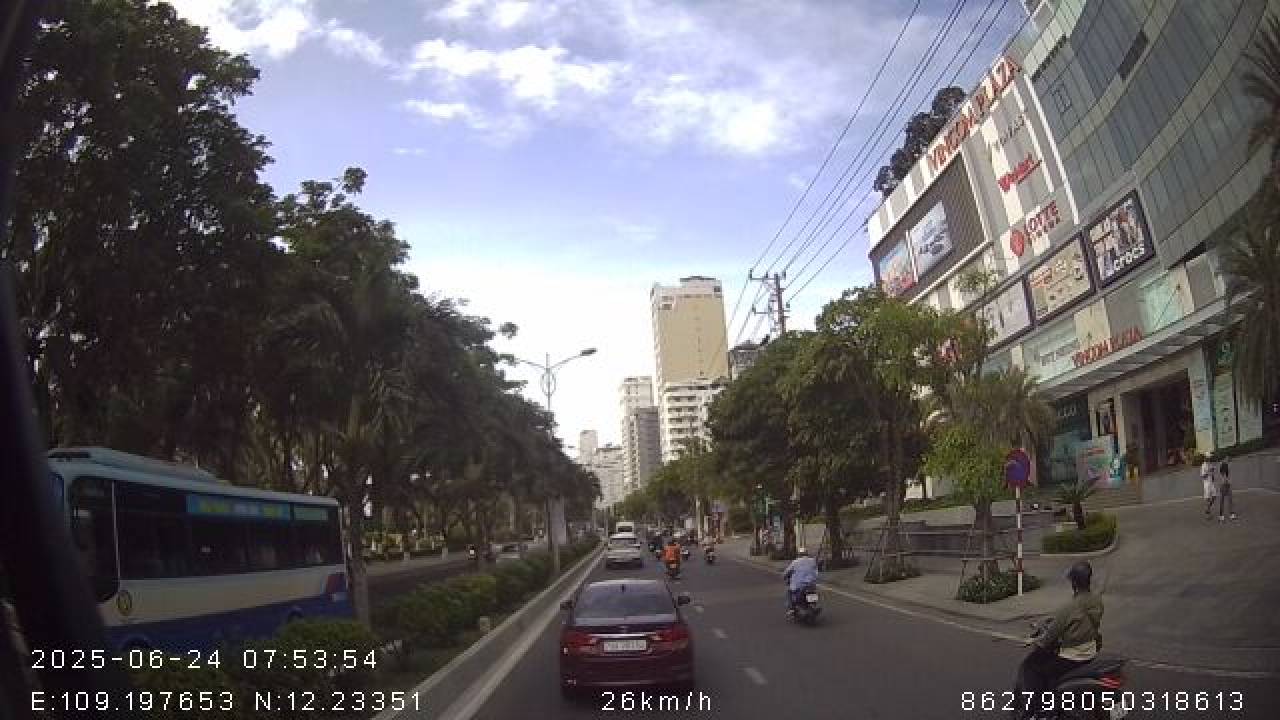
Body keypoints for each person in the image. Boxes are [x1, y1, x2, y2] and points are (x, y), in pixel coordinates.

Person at [1014, 561, 1104, 719]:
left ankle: (1034, 712)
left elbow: (1049, 637)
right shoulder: (1097, 601)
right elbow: (1079, 623)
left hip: (1073, 657)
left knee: (1032, 666)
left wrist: (1035, 641)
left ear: (1073, 583)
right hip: (1091, 650)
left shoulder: (1070, 608)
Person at [782, 547, 819, 613]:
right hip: (811, 584)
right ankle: (812, 606)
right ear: (807, 553)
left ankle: (791, 608)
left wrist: (784, 576)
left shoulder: (795, 562)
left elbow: (787, 572)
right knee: (813, 592)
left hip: (799, 585)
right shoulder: (812, 561)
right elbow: (816, 572)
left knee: (789, 592)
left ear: (799, 554)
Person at [1201, 455, 1218, 519]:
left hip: (1211, 483)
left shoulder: (1210, 464)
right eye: (1208, 458)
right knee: (1208, 498)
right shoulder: (1203, 465)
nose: (1209, 458)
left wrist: (1213, 477)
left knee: (1214, 496)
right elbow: (1203, 476)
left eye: (1209, 457)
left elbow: (1212, 473)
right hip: (1206, 484)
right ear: (1206, 458)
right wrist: (1208, 471)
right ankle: (1208, 514)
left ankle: (1208, 509)